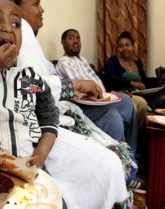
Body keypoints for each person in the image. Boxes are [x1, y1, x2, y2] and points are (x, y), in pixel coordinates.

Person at [0, 0, 131, 208]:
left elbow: (49, 118)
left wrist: (41, 155)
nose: (7, 28)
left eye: (16, 24)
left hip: (27, 165)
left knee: (55, 202)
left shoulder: (30, 78)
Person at [55, 28, 146, 193]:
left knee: (127, 102)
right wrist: (103, 98)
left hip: (101, 97)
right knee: (113, 116)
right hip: (86, 102)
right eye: (70, 38)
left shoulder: (83, 60)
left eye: (78, 38)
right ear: (63, 42)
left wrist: (109, 96)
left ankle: (130, 158)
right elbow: (78, 91)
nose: (75, 41)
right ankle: (126, 175)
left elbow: (98, 83)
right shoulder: (63, 63)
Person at [104, 31, 148, 132]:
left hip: (138, 94)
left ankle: (134, 136)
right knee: (140, 105)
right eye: (121, 46)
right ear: (118, 49)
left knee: (145, 104)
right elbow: (110, 78)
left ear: (133, 47)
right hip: (121, 94)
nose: (124, 48)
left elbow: (145, 81)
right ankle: (130, 136)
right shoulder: (113, 61)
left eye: (127, 45)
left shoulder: (138, 64)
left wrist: (145, 88)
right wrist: (131, 83)